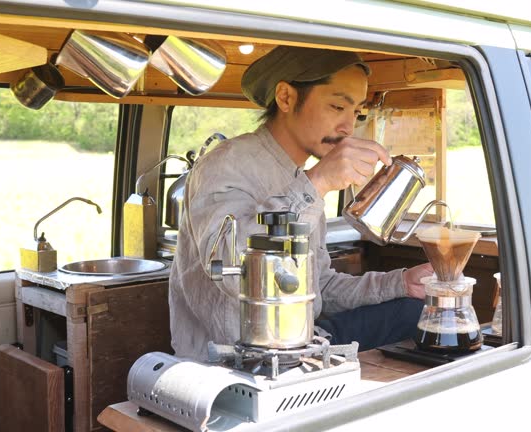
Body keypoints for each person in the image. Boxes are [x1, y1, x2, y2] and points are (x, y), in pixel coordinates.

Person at [169, 46, 433, 361]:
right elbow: (234, 271)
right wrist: (316, 183)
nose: (348, 127)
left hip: (300, 342)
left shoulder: (299, 178)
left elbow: (318, 286)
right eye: (337, 106)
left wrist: (400, 283)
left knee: (418, 313)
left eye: (357, 112)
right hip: (237, 362)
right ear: (286, 98)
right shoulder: (227, 165)